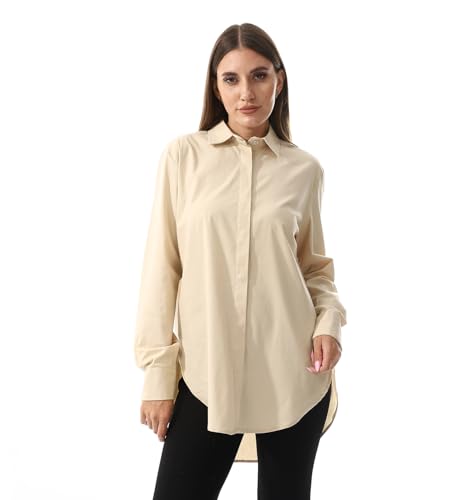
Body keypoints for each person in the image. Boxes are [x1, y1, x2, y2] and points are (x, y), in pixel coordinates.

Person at [133, 22, 347, 500]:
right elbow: (161, 268)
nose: (246, 92)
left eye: (259, 76)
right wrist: (158, 374)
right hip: (206, 376)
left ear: (279, 80)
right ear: (216, 86)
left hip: (294, 375)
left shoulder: (304, 169)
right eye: (231, 79)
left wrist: (329, 323)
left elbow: (314, 270)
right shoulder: (182, 158)